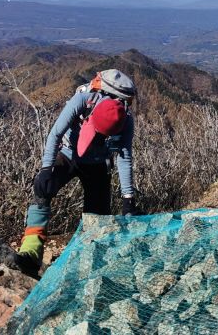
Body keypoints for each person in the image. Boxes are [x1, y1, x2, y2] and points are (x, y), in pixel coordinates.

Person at [13, 69, 137, 275]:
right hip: (68, 153)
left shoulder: (125, 121)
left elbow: (125, 157)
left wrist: (128, 198)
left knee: (97, 217)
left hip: (98, 163)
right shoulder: (82, 100)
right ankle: (31, 251)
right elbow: (55, 134)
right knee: (43, 190)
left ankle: (88, 264)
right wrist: (46, 169)